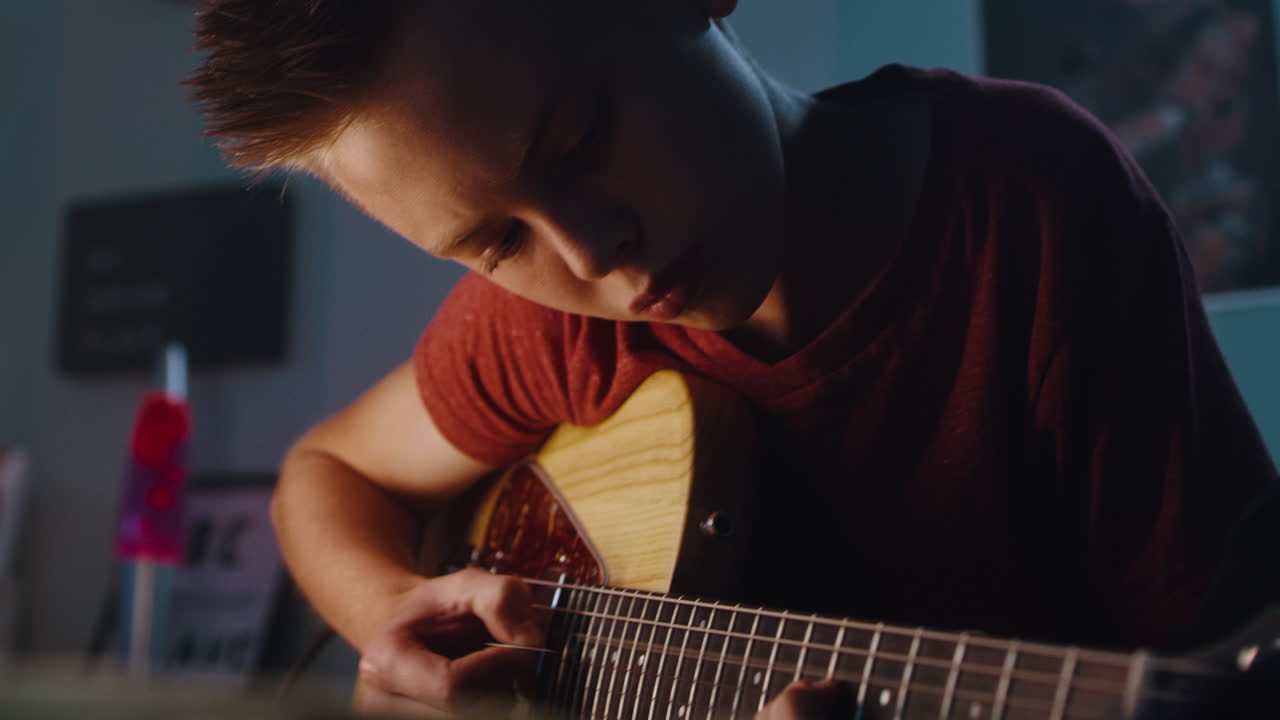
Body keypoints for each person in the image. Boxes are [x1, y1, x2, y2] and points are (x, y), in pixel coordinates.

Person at [186, 1, 1279, 717]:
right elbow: (321, 474)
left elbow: (1212, 656)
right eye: (492, 241)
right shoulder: (555, 323)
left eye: (577, 138)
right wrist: (389, 615)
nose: (586, 250)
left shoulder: (1027, 208)